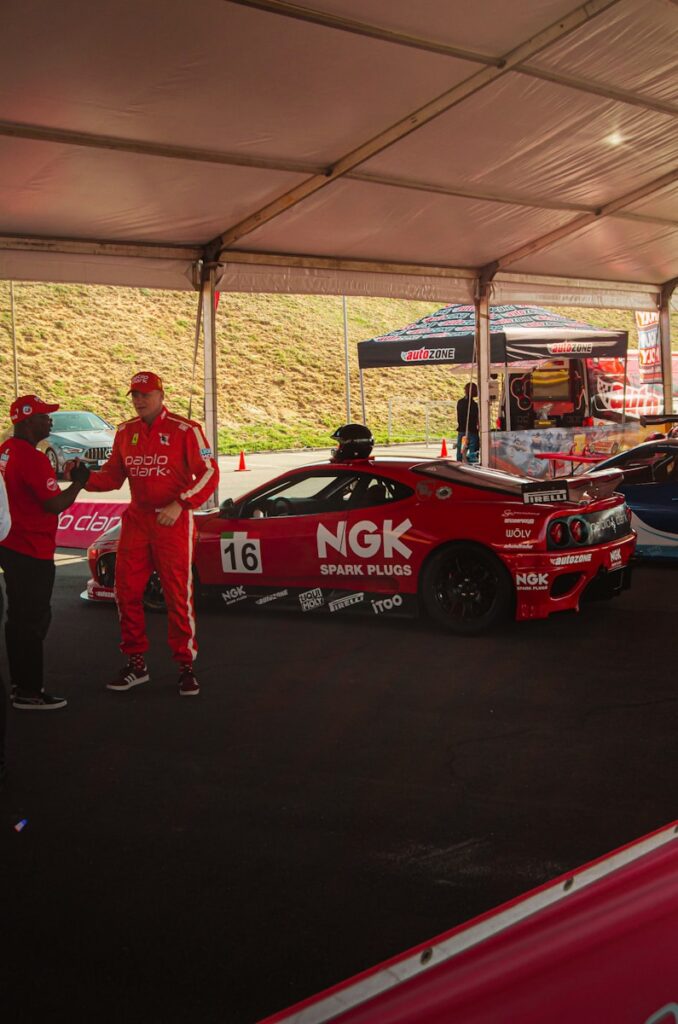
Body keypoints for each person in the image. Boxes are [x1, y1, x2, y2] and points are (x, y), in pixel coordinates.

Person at [74, 371, 219, 697]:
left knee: (177, 596)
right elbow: (112, 477)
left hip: (173, 524)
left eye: (145, 394)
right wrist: (83, 477)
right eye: (135, 395)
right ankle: (136, 664)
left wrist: (181, 503)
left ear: (160, 394)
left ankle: (186, 667)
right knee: (125, 593)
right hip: (137, 523)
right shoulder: (125, 432)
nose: (139, 400)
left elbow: (210, 472)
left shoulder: (186, 429)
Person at [0, 394, 90, 711]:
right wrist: (78, 483)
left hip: (11, 544)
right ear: (27, 422)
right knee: (34, 621)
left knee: (18, 618)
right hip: (32, 549)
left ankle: (19, 684)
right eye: (44, 416)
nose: (50, 420)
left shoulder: (7, 452)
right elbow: (53, 504)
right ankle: (29, 691)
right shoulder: (31, 458)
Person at [456, 382, 479, 463]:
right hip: (472, 431)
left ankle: (458, 467)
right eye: (476, 390)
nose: (477, 392)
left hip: (462, 431)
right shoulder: (474, 405)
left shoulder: (460, 402)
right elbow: (476, 419)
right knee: (473, 454)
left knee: (460, 454)